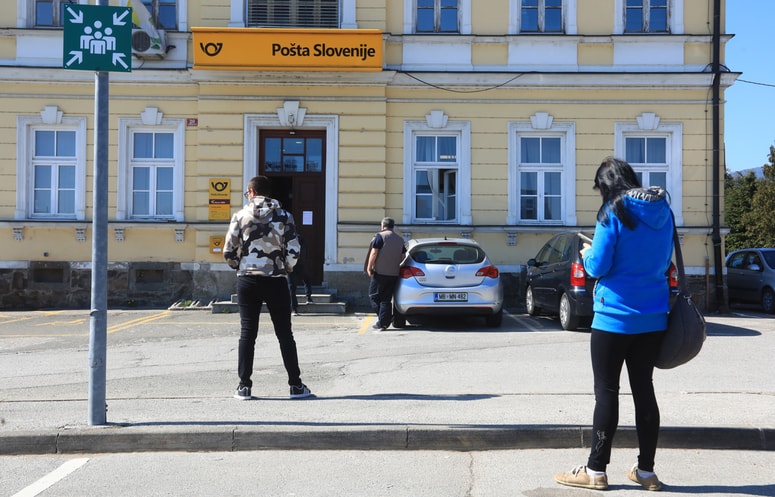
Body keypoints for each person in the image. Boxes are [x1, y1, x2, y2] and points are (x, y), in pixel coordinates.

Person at [554, 157, 673, 492]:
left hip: (614, 319)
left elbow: (599, 265)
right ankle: (646, 472)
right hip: (652, 318)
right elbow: (665, 261)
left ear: (607, 185)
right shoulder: (664, 211)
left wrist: (587, 252)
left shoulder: (613, 212)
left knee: (606, 392)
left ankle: (595, 470)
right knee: (644, 390)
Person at [223, 175, 313, 401]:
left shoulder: (241, 216)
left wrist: (241, 265)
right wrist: (285, 268)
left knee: (247, 334)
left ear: (252, 192)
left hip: (248, 280)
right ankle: (295, 385)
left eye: (247, 192)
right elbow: (294, 249)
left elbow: (228, 251)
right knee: (284, 334)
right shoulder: (284, 216)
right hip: (276, 279)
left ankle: (244, 386)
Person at [366, 217, 406, 330]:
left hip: (380, 273)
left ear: (382, 226)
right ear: (393, 227)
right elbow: (403, 256)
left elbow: (374, 253)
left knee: (373, 296)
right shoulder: (400, 239)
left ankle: (385, 319)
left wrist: (369, 268)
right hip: (394, 274)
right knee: (386, 299)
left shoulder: (380, 236)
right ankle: (384, 321)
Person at [289, 234, 313, 316]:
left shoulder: (289, 239)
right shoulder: (301, 239)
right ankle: (308, 298)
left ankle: (294, 309)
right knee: (304, 280)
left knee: (292, 287)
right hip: (297, 264)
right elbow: (306, 251)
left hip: (293, 264)